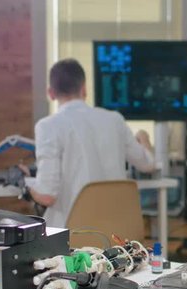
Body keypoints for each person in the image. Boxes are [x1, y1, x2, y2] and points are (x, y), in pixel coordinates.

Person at [28, 59, 156, 228]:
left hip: (74, 236)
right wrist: (143, 136)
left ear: (51, 93)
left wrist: (27, 183)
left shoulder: (48, 126)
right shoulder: (115, 120)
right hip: (118, 231)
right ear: (84, 90)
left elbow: (46, 196)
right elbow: (148, 164)